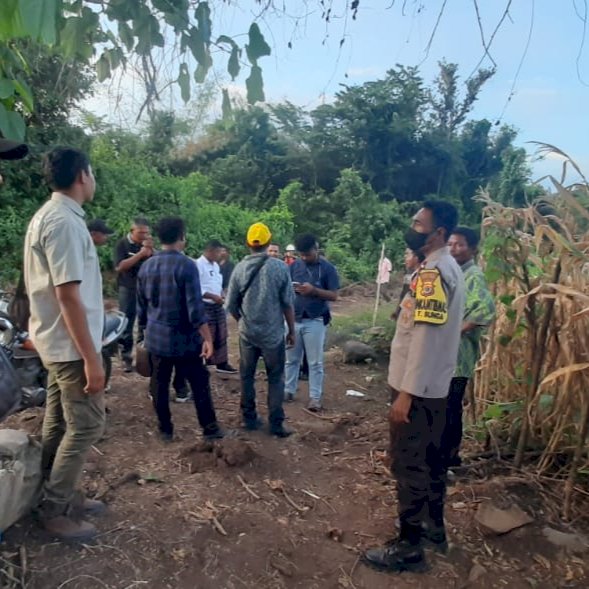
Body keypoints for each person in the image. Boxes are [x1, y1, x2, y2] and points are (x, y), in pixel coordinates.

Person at [362, 201, 465, 574]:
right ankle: (434, 529)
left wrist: (406, 392)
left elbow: (423, 336)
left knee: (409, 464)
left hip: (417, 387)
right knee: (433, 460)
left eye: (418, 223)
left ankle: (409, 547)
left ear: (437, 232)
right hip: (434, 384)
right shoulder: (442, 268)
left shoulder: (434, 274)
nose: (412, 227)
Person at [24, 147, 106, 541]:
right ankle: (55, 508)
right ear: (81, 176)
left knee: (59, 422)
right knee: (88, 423)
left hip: (58, 340)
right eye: (91, 173)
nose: (93, 180)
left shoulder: (50, 216)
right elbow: (68, 295)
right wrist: (92, 360)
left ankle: (51, 493)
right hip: (72, 346)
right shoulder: (65, 223)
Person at [137, 217, 224, 442]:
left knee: (159, 384)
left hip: (157, 338)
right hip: (184, 339)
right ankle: (210, 429)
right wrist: (208, 339)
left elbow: (142, 306)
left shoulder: (147, 265)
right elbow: (195, 309)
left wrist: (144, 333)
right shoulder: (187, 265)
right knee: (199, 382)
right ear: (182, 237)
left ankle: (165, 429)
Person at [226, 223, 295, 438]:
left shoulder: (239, 268)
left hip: (248, 334)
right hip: (273, 334)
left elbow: (230, 305)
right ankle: (276, 424)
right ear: (268, 243)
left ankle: (249, 418)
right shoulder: (280, 268)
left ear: (248, 244)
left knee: (247, 376)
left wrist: (243, 322)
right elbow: (287, 304)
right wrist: (291, 330)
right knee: (275, 378)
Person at [445, 227, 495, 469]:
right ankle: (444, 456)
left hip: (458, 356)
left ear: (473, 249)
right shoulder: (453, 273)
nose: (453, 249)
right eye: (451, 244)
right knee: (444, 406)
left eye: (460, 244)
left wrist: (456, 330)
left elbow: (485, 310)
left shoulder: (473, 274)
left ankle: (451, 458)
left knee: (451, 407)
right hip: (445, 355)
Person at [284, 234, 339, 411]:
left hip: (315, 319)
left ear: (316, 249)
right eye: (302, 255)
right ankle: (288, 390)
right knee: (291, 359)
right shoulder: (294, 266)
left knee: (315, 362)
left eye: (307, 254)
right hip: (295, 318)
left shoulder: (328, 268)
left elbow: (334, 295)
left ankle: (315, 397)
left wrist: (313, 290)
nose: (304, 258)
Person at [114, 217, 153, 372]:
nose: (144, 236)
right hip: (128, 288)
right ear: (132, 231)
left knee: (145, 323)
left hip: (146, 289)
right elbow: (120, 266)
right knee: (127, 323)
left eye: (146, 233)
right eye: (140, 232)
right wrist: (141, 254)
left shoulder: (147, 245)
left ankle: (143, 357)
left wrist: (151, 252)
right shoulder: (122, 244)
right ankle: (126, 357)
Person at [195, 240, 237, 374]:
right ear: (210, 251)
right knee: (206, 335)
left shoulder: (216, 266)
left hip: (217, 304)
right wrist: (212, 296)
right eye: (218, 252)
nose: (221, 255)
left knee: (222, 333)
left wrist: (220, 295)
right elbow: (196, 288)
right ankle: (202, 363)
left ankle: (221, 362)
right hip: (205, 304)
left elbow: (217, 284)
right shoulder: (198, 265)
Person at [392, 248, 425, 321]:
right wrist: (398, 310)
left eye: (407, 254)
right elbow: (404, 294)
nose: (405, 257)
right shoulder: (409, 275)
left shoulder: (423, 276)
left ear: (416, 258)